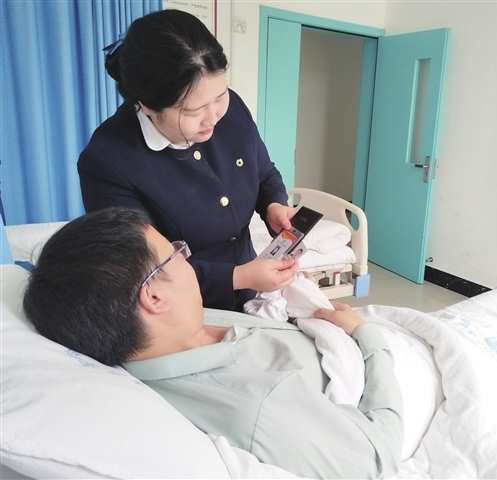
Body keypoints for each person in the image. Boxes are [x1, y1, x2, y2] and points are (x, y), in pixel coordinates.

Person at [22, 207, 404, 479]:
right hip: (385, 369)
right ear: (153, 296)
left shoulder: (178, 328)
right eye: (176, 253)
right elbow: (375, 459)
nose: (186, 259)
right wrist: (366, 335)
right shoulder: (260, 402)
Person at [78, 9, 296, 312]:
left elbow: (263, 172)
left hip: (250, 294)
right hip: (178, 309)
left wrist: (274, 205)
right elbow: (144, 267)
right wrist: (239, 276)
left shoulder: (231, 111)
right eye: (193, 111)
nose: (213, 117)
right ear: (147, 106)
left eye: (220, 96)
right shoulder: (109, 160)